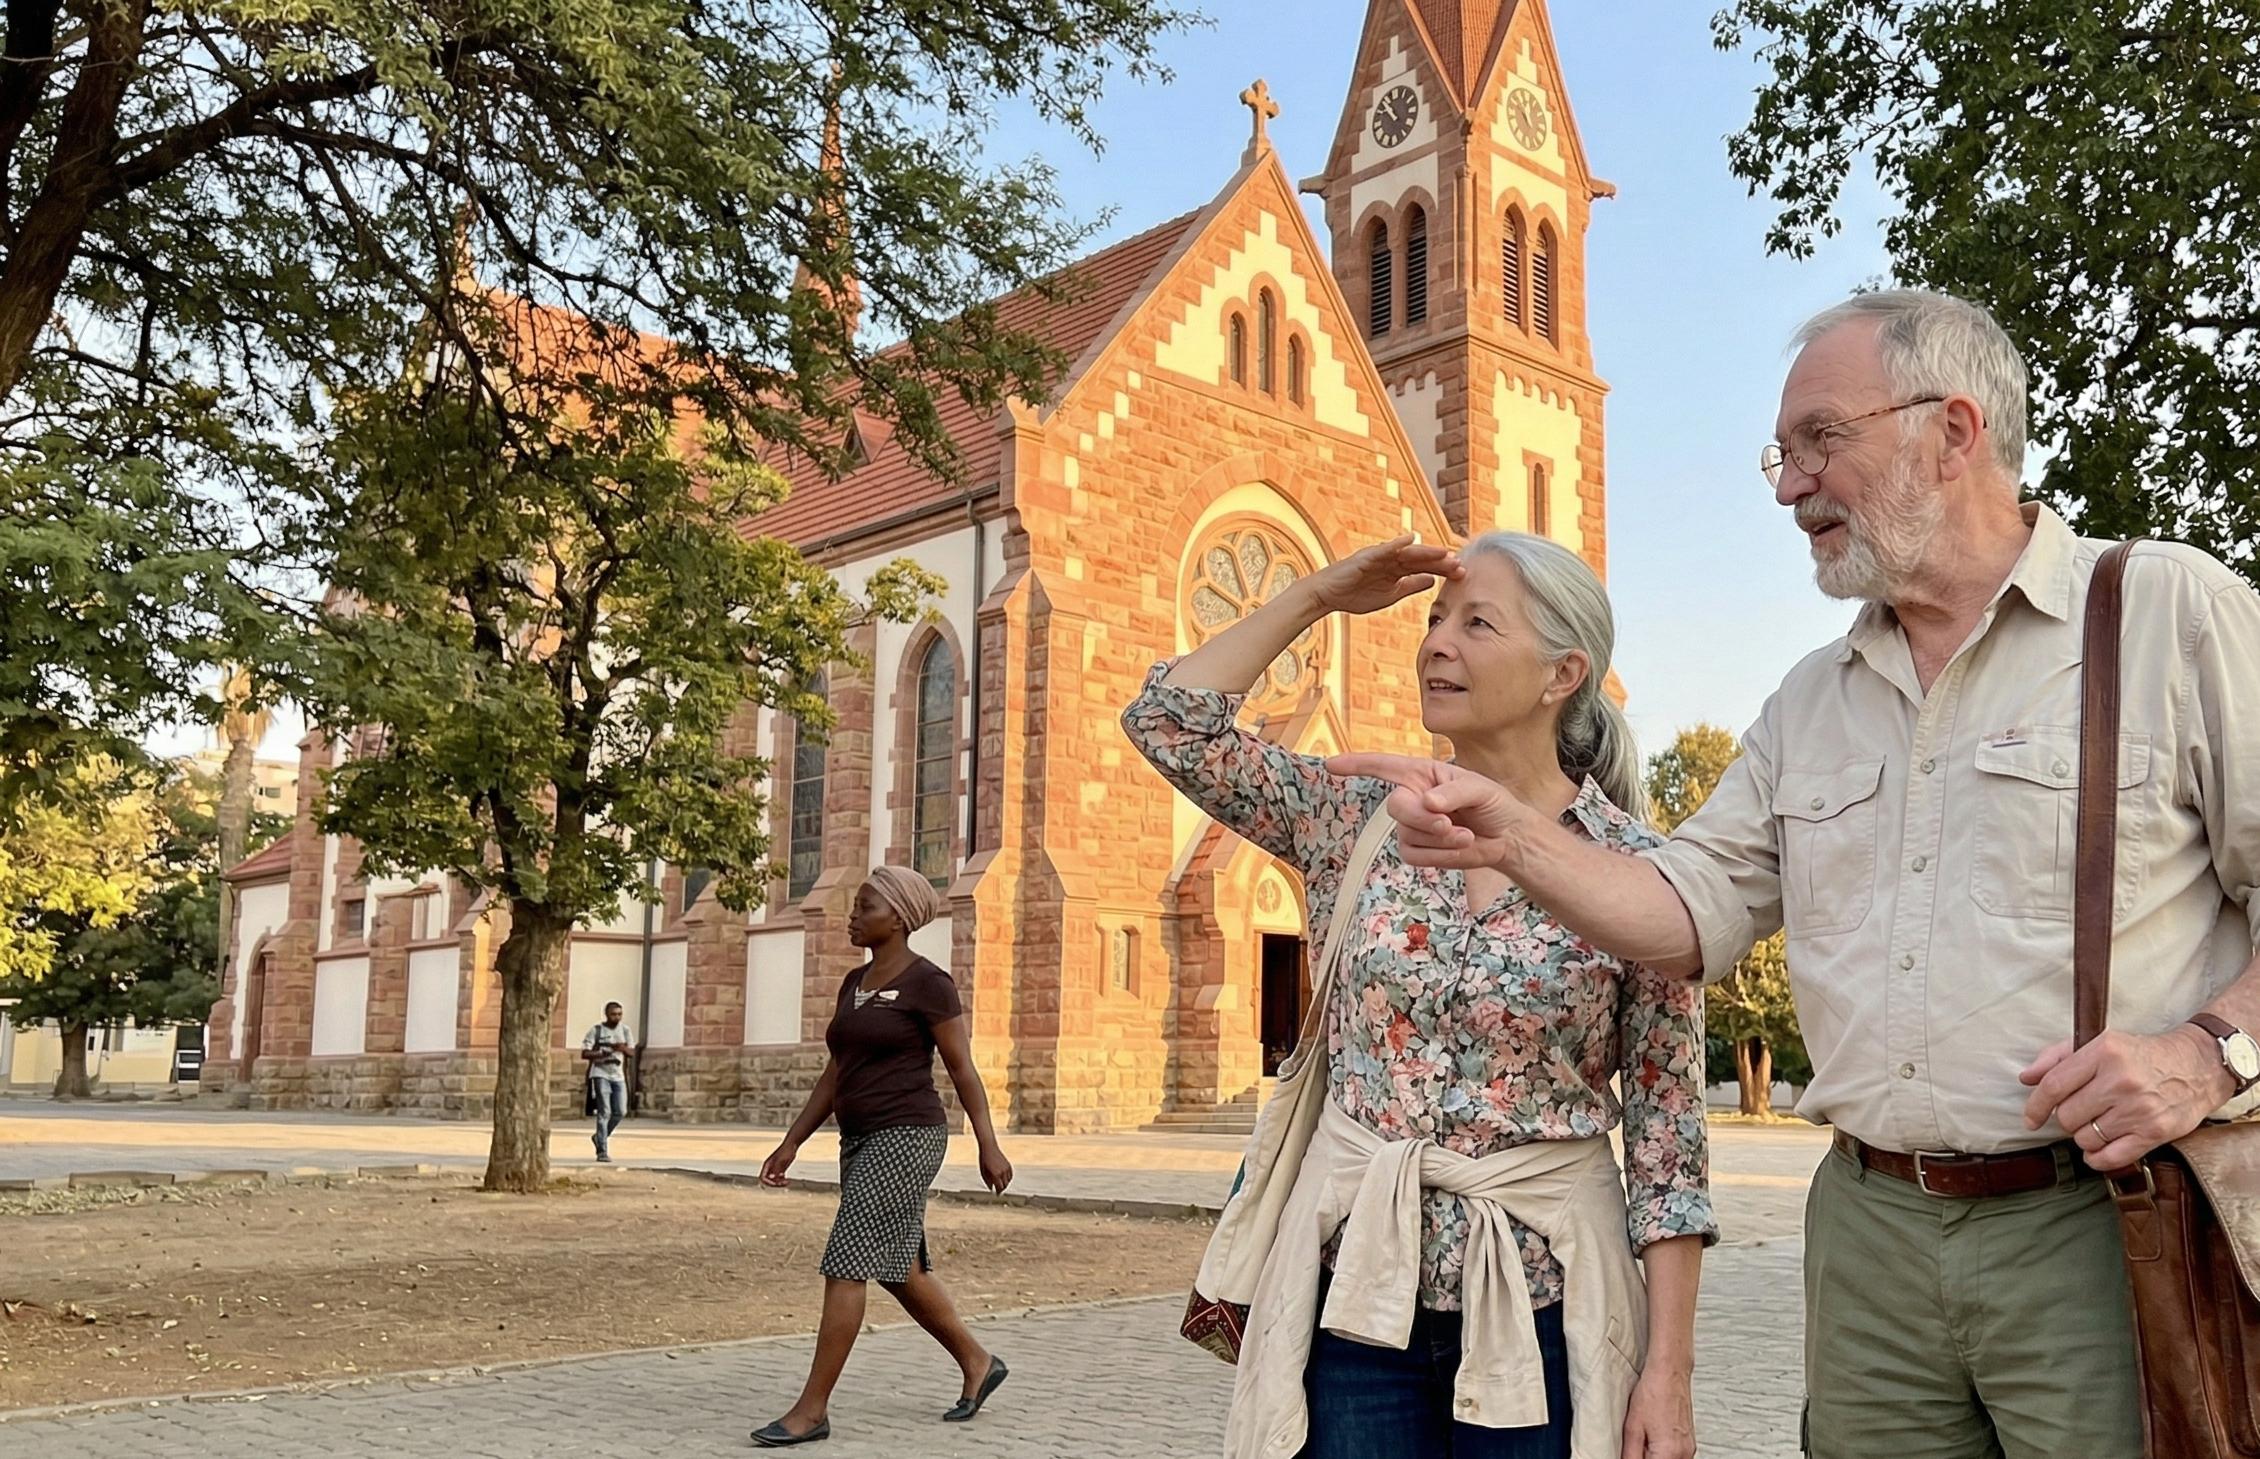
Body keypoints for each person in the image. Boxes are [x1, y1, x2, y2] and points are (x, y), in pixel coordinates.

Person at [1336, 291, 2260, 1459]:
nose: (1787, 485)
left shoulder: (2167, 611)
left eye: (1822, 440)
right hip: (1869, 1235)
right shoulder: (1809, 702)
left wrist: (2205, 1052)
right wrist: (1509, 837)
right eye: (1784, 452)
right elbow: (1679, 915)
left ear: (1953, 431)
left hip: (2106, 1225)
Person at [1124, 532, 1712, 1459]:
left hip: (1549, 1308)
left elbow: (1668, 1147)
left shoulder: (1636, 876)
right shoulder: (1352, 816)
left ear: (1564, 671)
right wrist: (1316, 594)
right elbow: (1167, 722)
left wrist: (1668, 1375)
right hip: (1358, 1306)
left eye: (1477, 622)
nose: (1437, 642)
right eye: (1435, 619)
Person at [751, 865, 1015, 1448]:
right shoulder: (854, 982)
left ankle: (811, 1410)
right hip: (859, 1138)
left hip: (908, 1135)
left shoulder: (930, 983)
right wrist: (792, 1140)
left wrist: (988, 1143)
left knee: (847, 1258)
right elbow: (836, 1072)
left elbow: (961, 1068)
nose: (852, 915)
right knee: (898, 1268)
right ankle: (978, 1361)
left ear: (897, 916)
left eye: (863, 905)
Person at [582, 1001, 631, 1162]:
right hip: (600, 1073)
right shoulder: (596, 1031)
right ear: (606, 1014)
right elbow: (585, 1053)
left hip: (618, 1075)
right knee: (604, 1112)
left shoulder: (625, 1030)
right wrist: (601, 1053)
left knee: (620, 1111)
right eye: (613, 1014)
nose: (616, 1017)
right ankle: (602, 1150)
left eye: (619, 1014)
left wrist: (620, 1048)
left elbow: (631, 1052)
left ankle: (599, 1136)